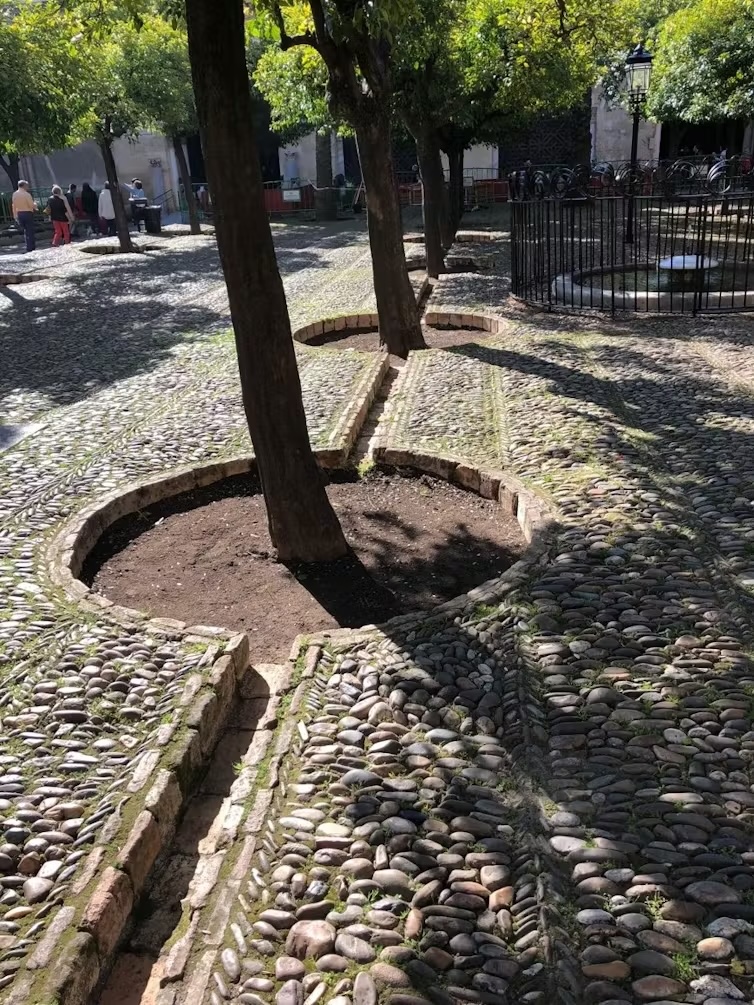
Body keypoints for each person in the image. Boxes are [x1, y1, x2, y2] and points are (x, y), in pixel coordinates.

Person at [11, 180, 37, 252]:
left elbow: (13, 205)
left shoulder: (14, 194)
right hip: (27, 213)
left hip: (19, 213)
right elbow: (31, 205)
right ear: (24, 186)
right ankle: (31, 246)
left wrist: (15, 215)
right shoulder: (26, 194)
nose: (28, 187)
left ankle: (28, 246)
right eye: (27, 185)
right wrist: (35, 205)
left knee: (25, 230)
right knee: (30, 230)